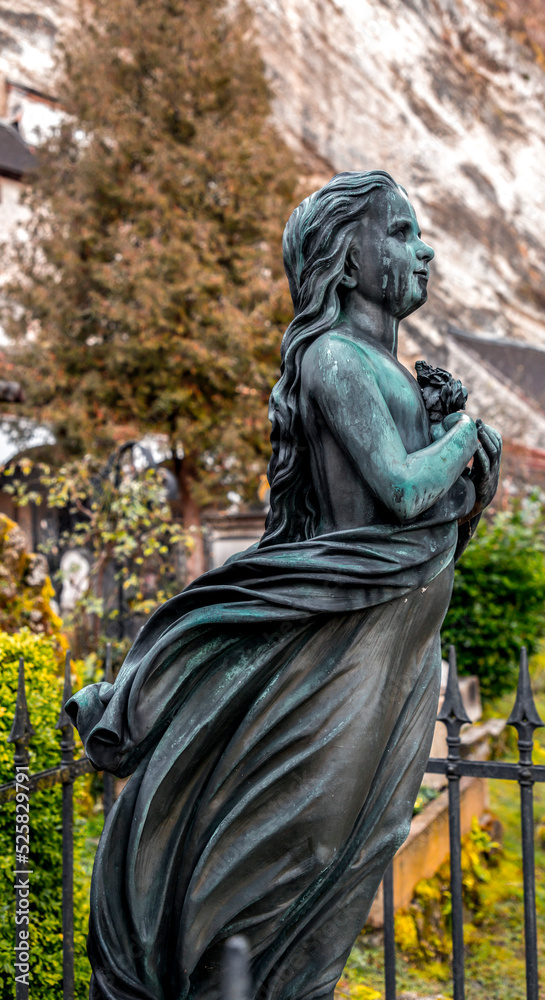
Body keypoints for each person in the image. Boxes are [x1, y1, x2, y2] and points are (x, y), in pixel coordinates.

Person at [68, 170, 501, 1000]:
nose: (425, 250)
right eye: (403, 233)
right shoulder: (333, 358)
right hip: (343, 656)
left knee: (353, 853)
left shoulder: (388, 371)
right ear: (347, 258)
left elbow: (441, 515)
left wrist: (455, 437)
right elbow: (403, 491)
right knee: (298, 847)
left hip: (396, 655)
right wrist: (469, 436)